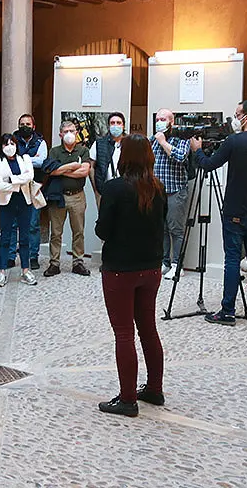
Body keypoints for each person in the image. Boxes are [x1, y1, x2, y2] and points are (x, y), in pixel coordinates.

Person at [95, 134, 167, 417]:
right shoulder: (158, 188)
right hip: (151, 267)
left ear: (123, 157)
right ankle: (154, 388)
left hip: (120, 269)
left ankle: (127, 399)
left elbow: (103, 230)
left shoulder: (114, 188)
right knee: (148, 328)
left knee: (124, 333)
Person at [192, 100, 247, 326]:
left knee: (232, 259)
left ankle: (228, 311)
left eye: (237, 113)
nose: (235, 118)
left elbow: (208, 164)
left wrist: (197, 150)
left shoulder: (234, 141)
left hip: (234, 210)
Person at [43, 120, 92, 277]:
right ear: (60, 134)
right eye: (66, 131)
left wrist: (62, 169)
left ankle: (78, 262)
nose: (69, 134)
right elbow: (51, 171)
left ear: (76, 133)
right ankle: (54, 263)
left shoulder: (83, 151)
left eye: (72, 131)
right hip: (58, 197)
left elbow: (84, 171)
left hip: (77, 196)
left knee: (78, 231)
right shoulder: (54, 151)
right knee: (56, 232)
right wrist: (73, 166)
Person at [151, 108, 194, 281]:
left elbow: (181, 157)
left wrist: (163, 142)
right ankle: (165, 262)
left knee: (176, 230)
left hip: (176, 191)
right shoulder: (153, 139)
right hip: (158, 193)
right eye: (157, 119)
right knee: (161, 229)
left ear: (172, 121)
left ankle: (177, 264)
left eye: (163, 119)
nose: (159, 122)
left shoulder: (182, 138)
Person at [0, 133, 38, 287]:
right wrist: (18, 183)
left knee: (24, 237)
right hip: (6, 203)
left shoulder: (25, 159)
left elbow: (29, 176)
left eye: (12, 143)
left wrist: (11, 180)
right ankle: (2, 272)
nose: (10, 147)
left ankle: (26, 270)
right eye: (6, 144)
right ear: (1, 146)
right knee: (5, 237)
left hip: (24, 201)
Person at [12, 114, 47, 269]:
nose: (24, 126)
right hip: (15, 188)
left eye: (28, 124)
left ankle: (33, 256)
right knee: (13, 224)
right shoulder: (12, 140)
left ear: (33, 127)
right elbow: (9, 160)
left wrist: (21, 158)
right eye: (22, 124)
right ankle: (11, 256)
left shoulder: (40, 142)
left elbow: (41, 162)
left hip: (34, 187)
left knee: (33, 224)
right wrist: (31, 158)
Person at [89, 112, 127, 205]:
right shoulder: (99, 144)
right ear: (109, 126)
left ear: (123, 126)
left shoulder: (130, 143)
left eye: (118, 123)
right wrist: (96, 190)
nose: (115, 126)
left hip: (126, 191)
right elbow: (91, 167)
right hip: (104, 191)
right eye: (112, 123)